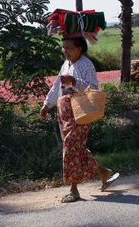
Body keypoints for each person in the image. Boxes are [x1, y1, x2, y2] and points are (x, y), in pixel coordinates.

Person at [40, 36, 119, 203]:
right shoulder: (66, 64)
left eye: (68, 48)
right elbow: (57, 85)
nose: (65, 51)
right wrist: (47, 104)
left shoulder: (86, 64)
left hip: (80, 110)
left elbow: (94, 88)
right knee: (75, 147)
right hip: (65, 111)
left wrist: (75, 81)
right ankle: (103, 172)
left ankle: (73, 189)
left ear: (79, 49)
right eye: (64, 48)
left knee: (70, 147)